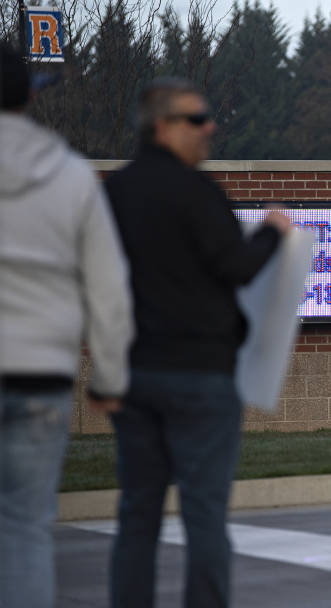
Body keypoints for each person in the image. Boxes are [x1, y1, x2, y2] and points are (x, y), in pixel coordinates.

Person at [103, 78, 291, 608]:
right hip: (202, 377)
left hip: (136, 375)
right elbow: (237, 267)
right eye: (197, 118)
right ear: (161, 126)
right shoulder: (197, 191)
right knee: (204, 514)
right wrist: (274, 231)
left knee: (137, 514)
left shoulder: (113, 193)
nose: (210, 127)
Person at [0, 44, 133, 608]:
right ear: (31, 95)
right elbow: (109, 288)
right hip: (41, 376)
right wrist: (110, 377)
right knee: (26, 528)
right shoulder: (72, 177)